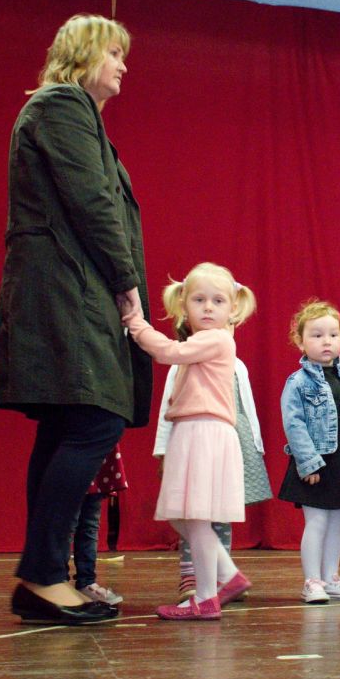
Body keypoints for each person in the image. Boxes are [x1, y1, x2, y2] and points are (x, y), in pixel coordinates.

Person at [0, 14, 150, 626]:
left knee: (66, 426)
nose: (123, 65)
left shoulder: (75, 115)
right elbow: (92, 204)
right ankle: (42, 575)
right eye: (114, 53)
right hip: (69, 293)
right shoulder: (62, 106)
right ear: (83, 56)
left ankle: (43, 577)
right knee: (94, 418)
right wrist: (127, 286)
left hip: (71, 291)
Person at [125, 262, 257, 621]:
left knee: (194, 519)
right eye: (199, 300)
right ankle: (227, 576)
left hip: (204, 431)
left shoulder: (215, 338)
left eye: (218, 301)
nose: (208, 308)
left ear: (232, 308)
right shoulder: (203, 341)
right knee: (182, 516)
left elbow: (167, 352)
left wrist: (136, 323)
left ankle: (206, 597)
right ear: (184, 304)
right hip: (194, 430)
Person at [157, 323, 270, 605]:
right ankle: (192, 575)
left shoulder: (237, 365)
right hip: (194, 444)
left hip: (227, 443)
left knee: (220, 513)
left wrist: (255, 444)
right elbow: (167, 409)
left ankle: (222, 577)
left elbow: (246, 406)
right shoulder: (183, 360)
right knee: (191, 512)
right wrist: (164, 450)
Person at [277, 300, 340, 604]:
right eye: (316, 335)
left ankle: (330, 578)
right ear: (300, 342)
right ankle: (312, 581)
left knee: (336, 524)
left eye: (332, 334)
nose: (326, 341)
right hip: (317, 464)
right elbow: (294, 424)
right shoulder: (298, 382)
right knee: (316, 523)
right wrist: (308, 462)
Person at [70, 444, 128, 605]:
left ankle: (87, 582)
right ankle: (59, 581)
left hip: (97, 456)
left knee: (89, 525)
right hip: (73, 453)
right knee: (67, 525)